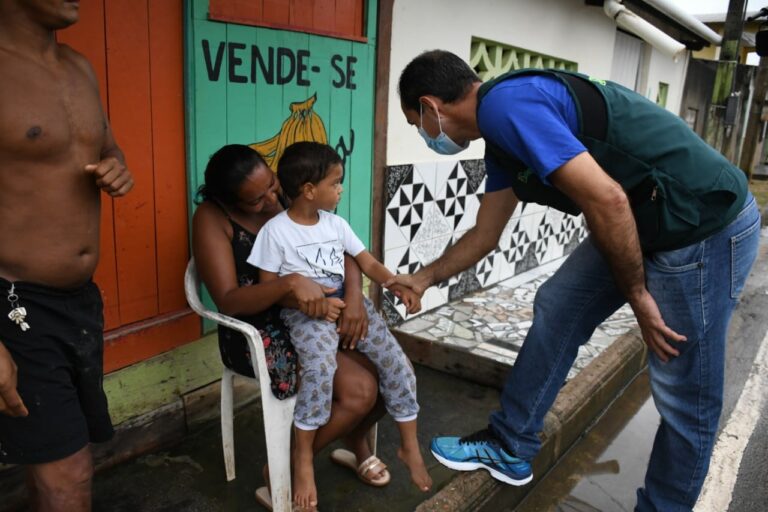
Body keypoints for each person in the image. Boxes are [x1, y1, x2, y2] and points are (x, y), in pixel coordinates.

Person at [389, 50, 761, 511]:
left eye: (416, 124)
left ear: (431, 107)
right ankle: (511, 443)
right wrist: (423, 278)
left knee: (685, 395)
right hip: (645, 217)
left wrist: (638, 295)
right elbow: (486, 234)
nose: (424, 135)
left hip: (701, 223)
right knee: (559, 304)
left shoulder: (507, 107)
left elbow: (608, 201)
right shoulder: (499, 132)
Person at [192, 144, 399, 511]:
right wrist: (289, 284)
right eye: (256, 200)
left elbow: (342, 248)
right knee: (361, 391)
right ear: (229, 201)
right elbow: (228, 300)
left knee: (389, 374)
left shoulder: (292, 191)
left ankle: (352, 442)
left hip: (320, 312)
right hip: (260, 329)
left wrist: (354, 297)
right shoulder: (211, 218)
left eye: (271, 186)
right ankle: (291, 465)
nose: (272, 200)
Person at [0, 1, 135, 510]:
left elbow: (109, 146)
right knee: (69, 474)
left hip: (79, 304)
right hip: (15, 304)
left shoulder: (78, 66)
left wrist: (116, 165)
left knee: (51, 463)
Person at [248, 141, 432, 509]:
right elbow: (269, 289)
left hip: (348, 305)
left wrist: (396, 284)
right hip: (305, 315)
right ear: (309, 190)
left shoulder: (336, 224)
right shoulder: (276, 232)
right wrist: (309, 303)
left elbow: (368, 263)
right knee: (319, 369)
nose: (341, 189)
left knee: (396, 363)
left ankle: (409, 445)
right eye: (335, 183)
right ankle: (303, 457)